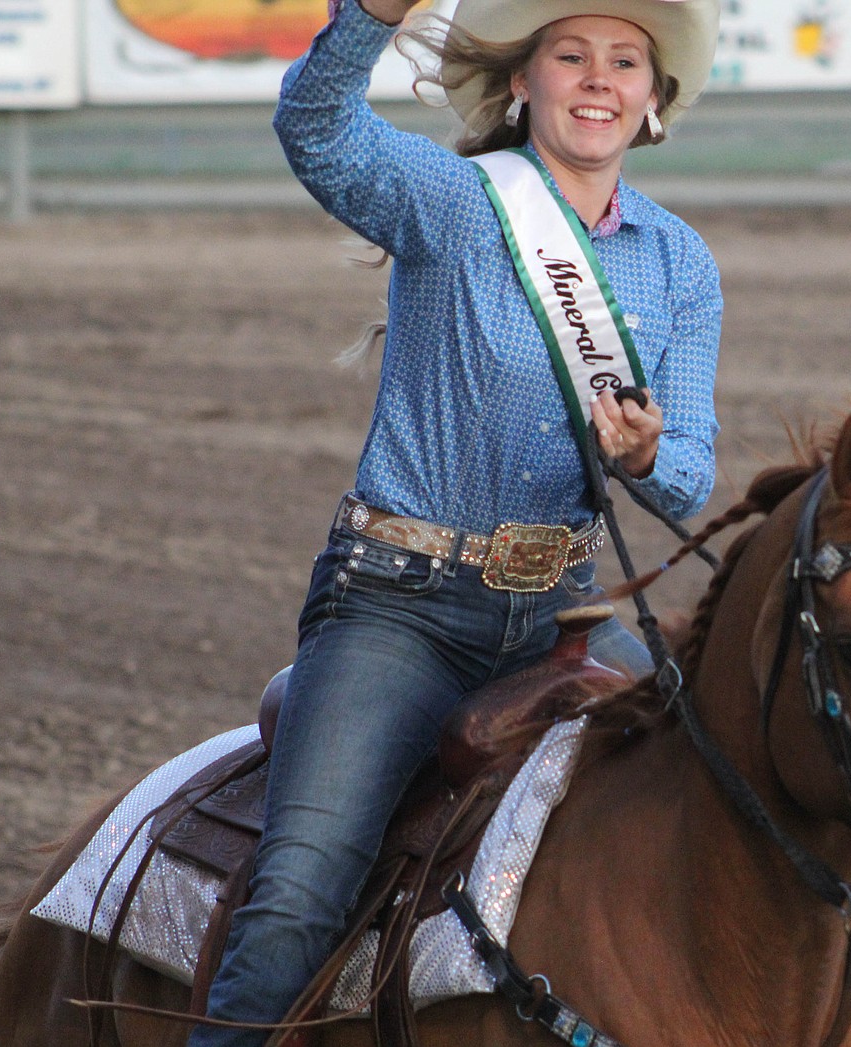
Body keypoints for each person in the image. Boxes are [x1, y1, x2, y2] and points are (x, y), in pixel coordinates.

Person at [187, 0, 722, 1043]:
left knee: (710, 813)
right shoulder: (455, 201)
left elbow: (691, 483)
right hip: (399, 606)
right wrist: (369, 19)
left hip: (563, 616)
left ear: (654, 101)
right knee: (300, 894)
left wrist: (650, 456)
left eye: (625, 62)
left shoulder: (680, 263)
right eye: (571, 57)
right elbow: (318, 129)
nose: (598, 79)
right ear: (525, 83)